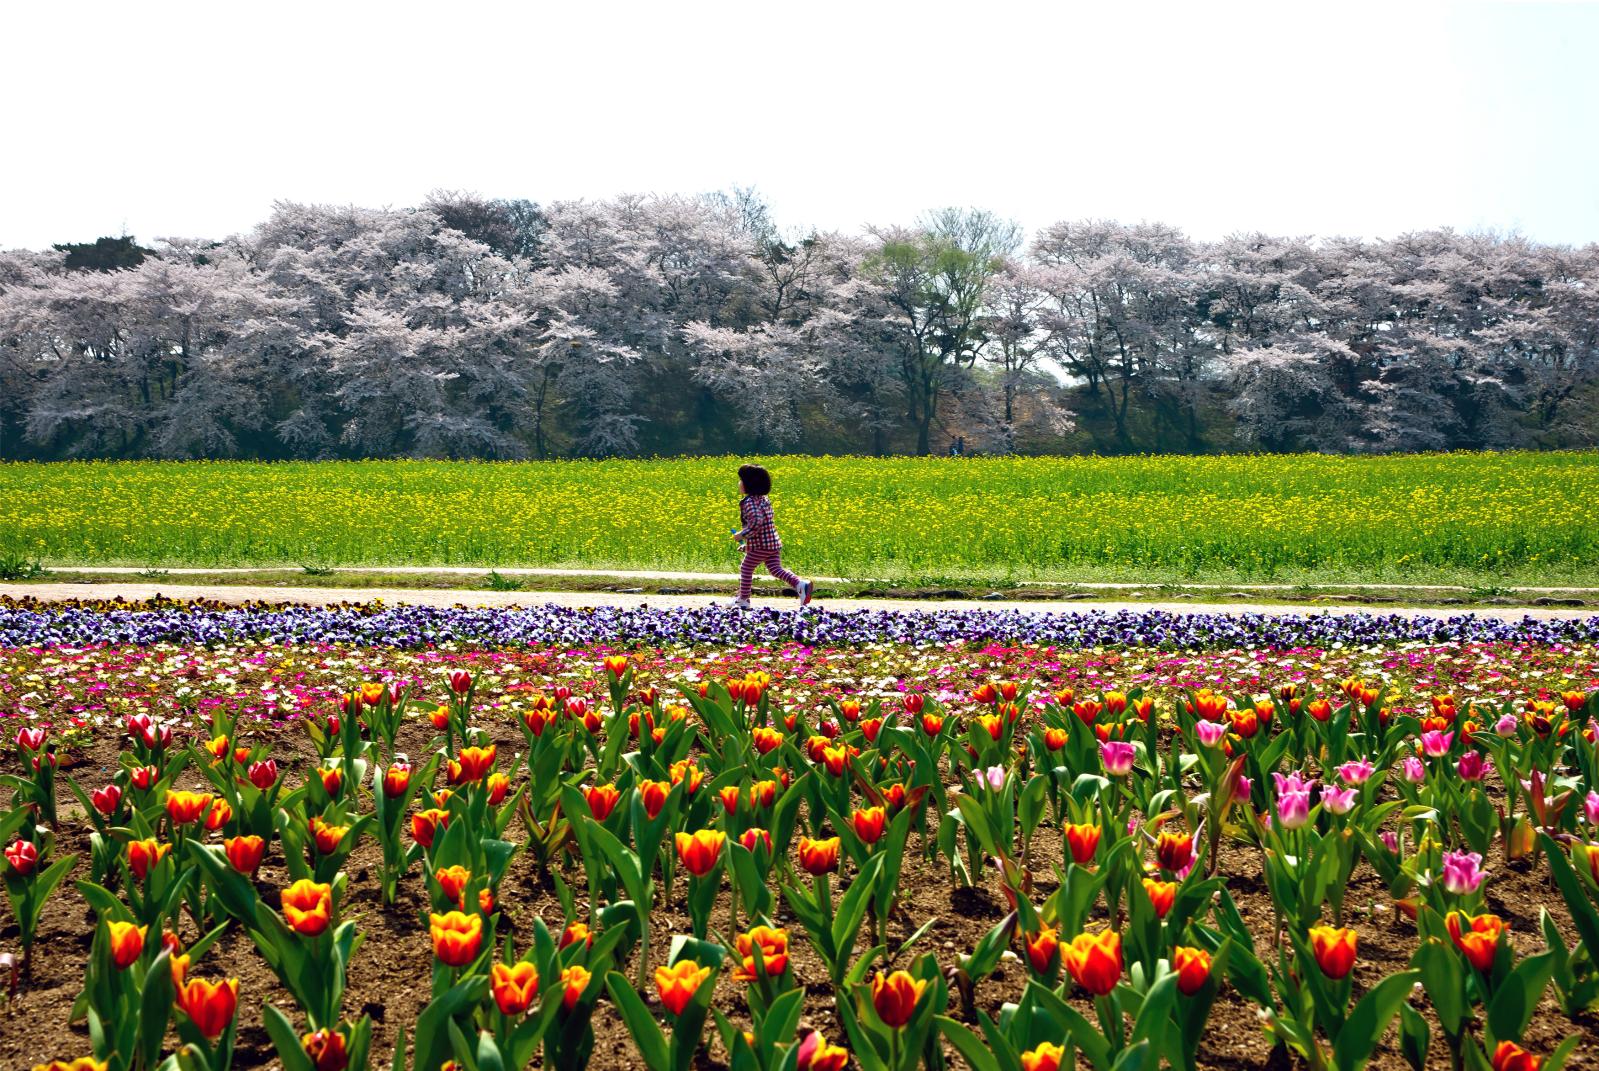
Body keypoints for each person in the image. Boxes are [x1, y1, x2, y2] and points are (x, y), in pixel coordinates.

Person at [730, 463, 813, 608]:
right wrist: (747, 546)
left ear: (749, 484)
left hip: (761, 545)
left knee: (746, 568)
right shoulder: (764, 499)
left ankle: (743, 599)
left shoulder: (749, 502)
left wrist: (742, 535)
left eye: (741, 480)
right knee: (776, 569)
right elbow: (763, 526)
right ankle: (800, 584)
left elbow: (756, 522)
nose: (739, 483)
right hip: (772, 543)